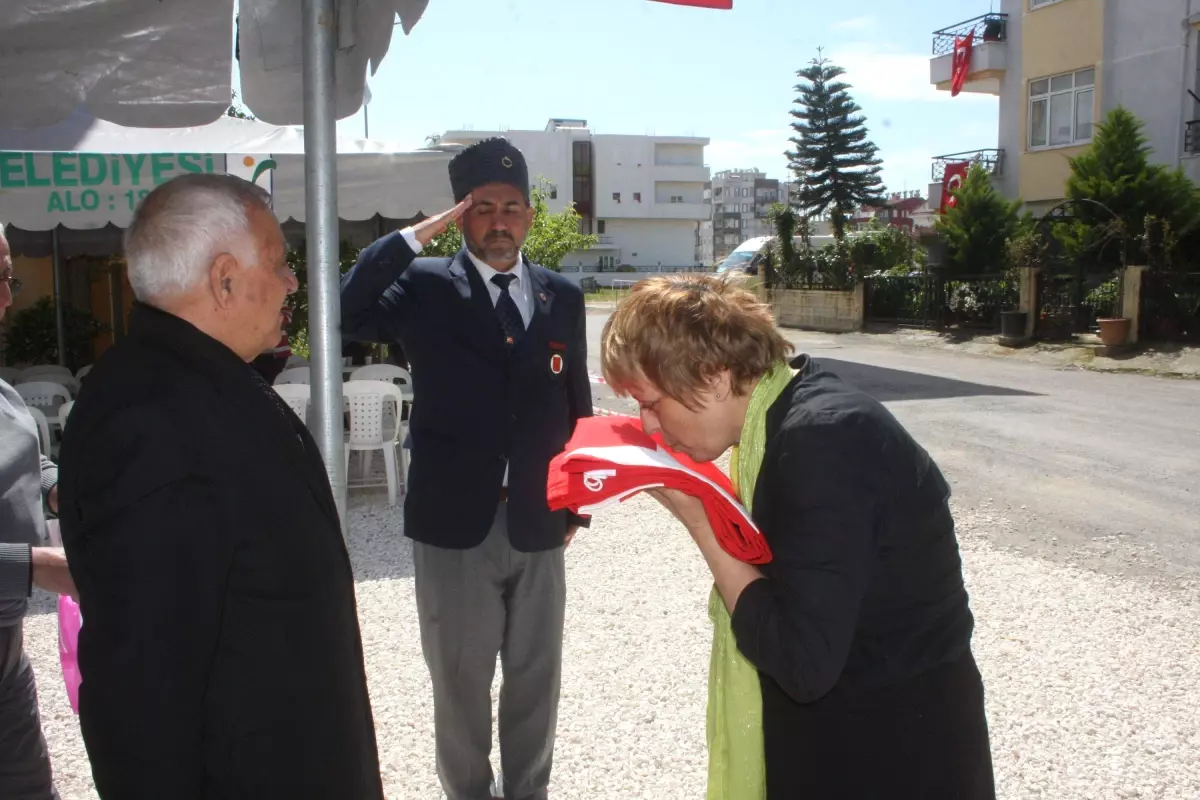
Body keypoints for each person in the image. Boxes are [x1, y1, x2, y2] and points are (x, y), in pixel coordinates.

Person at [600, 275, 995, 799]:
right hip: (860, 737)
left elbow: (802, 661)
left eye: (650, 401)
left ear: (714, 377)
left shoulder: (823, 440)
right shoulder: (784, 417)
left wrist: (702, 523)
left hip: (890, 755)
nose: (648, 426)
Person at [56, 174, 384, 799]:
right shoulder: (151, 421)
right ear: (224, 278)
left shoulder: (194, 383)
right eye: (281, 263)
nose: (292, 282)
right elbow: (142, 692)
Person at [341, 137, 592, 800]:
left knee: (538, 678)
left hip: (540, 519)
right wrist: (410, 239)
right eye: (483, 208)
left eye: (513, 207)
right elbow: (346, 310)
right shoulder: (423, 286)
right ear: (461, 216)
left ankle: (528, 792)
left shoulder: (560, 295)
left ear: (530, 216)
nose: (500, 220)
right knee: (460, 680)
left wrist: (578, 504)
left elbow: (577, 405)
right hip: (455, 524)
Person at [0, 225, 75, 800]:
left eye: (7, 278)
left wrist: (69, 489)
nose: (7, 298)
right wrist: (37, 565)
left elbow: (31, 462)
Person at [250, 303, 293, 384]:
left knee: (275, 382)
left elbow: (284, 321)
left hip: (279, 355)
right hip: (258, 354)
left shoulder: (282, 306)